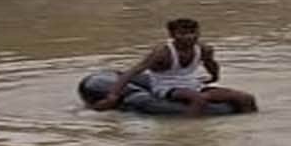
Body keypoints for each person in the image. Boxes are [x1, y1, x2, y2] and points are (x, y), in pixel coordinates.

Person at [91, 18, 257, 116]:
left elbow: (211, 64)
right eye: (183, 33)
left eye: (193, 32)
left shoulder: (204, 48)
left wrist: (214, 77)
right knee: (198, 99)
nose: (189, 37)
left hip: (194, 85)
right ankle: (190, 133)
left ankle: (250, 127)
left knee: (246, 98)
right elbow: (133, 72)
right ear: (172, 35)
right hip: (166, 87)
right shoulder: (162, 52)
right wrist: (112, 96)